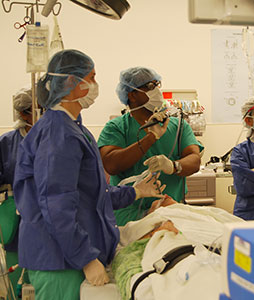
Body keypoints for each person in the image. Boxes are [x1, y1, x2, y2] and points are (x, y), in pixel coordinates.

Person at [13, 49, 165, 300]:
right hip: (59, 260)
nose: (95, 85)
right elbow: (56, 204)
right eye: (92, 78)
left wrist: (136, 191)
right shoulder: (58, 133)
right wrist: (85, 258)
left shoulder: (73, 128)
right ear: (71, 82)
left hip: (68, 254)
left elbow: (91, 193)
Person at [97, 67, 203, 226]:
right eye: (150, 87)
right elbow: (111, 165)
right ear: (132, 95)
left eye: (157, 85)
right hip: (128, 218)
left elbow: (194, 160)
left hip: (170, 213)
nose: (157, 91)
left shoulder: (177, 125)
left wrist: (174, 166)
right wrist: (150, 138)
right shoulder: (116, 127)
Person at [0, 86, 33, 295]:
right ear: (22, 113)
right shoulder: (7, 142)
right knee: (16, 281)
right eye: (37, 110)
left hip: (47, 215)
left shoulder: (55, 138)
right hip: (15, 216)